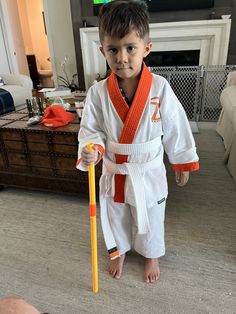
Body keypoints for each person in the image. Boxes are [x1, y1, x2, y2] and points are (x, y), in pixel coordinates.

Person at [76, 0, 199, 283]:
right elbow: (91, 128)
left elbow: (175, 125)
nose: (122, 57)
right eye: (113, 49)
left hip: (148, 168)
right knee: (116, 212)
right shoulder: (97, 93)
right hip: (115, 167)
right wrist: (92, 148)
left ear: (146, 48)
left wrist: (181, 161)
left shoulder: (160, 88)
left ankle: (151, 253)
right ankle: (118, 249)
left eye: (130, 48)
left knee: (152, 212)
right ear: (102, 51)